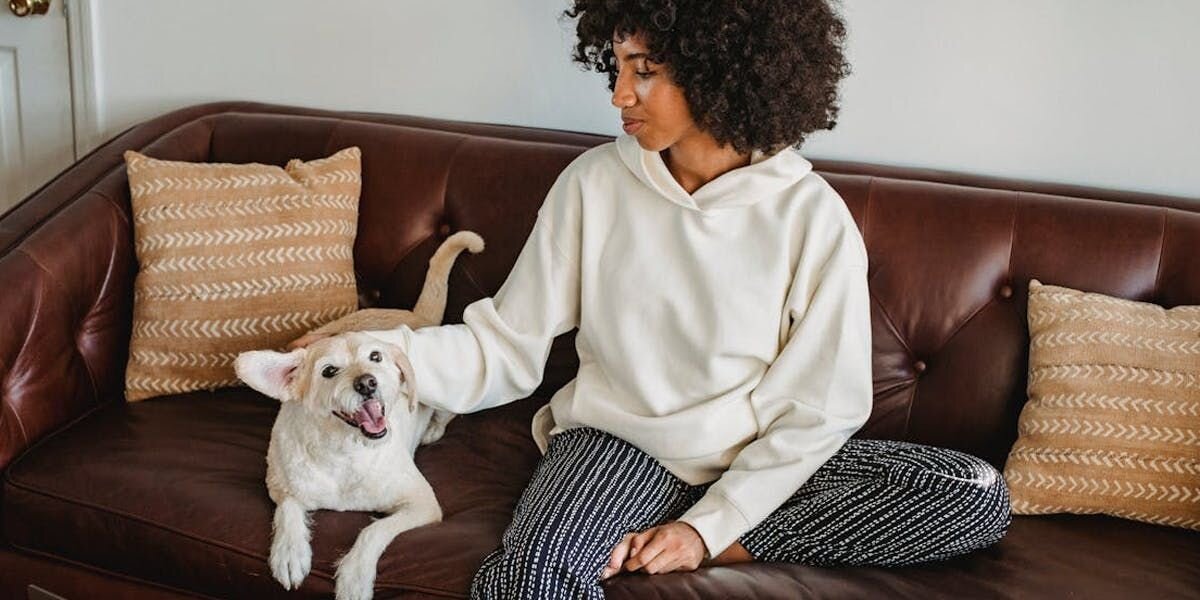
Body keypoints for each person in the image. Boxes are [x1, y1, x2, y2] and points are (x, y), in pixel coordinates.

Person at [302, 1, 1011, 598]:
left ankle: (729, 542)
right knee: (527, 580)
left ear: (722, 70)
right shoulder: (594, 184)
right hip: (620, 448)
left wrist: (709, 528)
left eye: (645, 71)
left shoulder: (811, 218)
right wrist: (381, 353)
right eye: (616, 67)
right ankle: (682, 530)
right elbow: (505, 345)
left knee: (975, 494)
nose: (619, 95)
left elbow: (822, 410)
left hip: (755, 457)